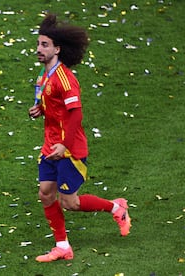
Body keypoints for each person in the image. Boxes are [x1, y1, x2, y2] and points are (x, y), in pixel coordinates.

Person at [28, 14, 131, 263]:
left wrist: (64, 144)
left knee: (69, 203)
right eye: (38, 44)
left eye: (44, 45)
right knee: (45, 193)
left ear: (57, 49)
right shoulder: (45, 75)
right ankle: (62, 246)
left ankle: (116, 207)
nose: (39, 49)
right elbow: (52, 103)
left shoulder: (65, 79)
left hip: (69, 149)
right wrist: (40, 109)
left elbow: (76, 113)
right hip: (50, 145)